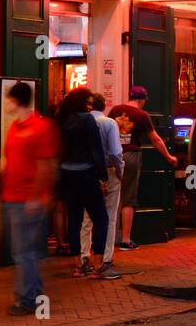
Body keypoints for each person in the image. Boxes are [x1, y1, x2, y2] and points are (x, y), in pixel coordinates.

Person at [0, 81, 58, 316]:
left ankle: (27, 300)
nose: (5, 102)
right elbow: (5, 162)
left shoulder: (39, 128)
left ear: (15, 101)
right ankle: (34, 295)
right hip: (13, 198)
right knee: (24, 251)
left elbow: (46, 166)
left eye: (7, 99)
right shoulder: (15, 128)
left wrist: (36, 199)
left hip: (27, 201)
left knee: (23, 251)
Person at [110, 86, 178, 254]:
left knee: (111, 196)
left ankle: (108, 238)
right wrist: (169, 157)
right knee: (129, 198)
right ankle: (125, 240)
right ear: (141, 100)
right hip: (131, 156)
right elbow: (155, 139)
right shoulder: (142, 115)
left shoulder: (115, 110)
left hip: (113, 155)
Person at [56, 87, 109, 279]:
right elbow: (96, 150)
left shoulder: (62, 120)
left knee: (75, 219)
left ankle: (77, 264)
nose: (89, 107)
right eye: (87, 103)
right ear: (81, 103)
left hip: (67, 174)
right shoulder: (87, 120)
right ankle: (98, 264)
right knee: (100, 217)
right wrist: (103, 176)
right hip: (86, 173)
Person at [79, 93, 123, 274]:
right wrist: (120, 169)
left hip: (86, 172)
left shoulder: (82, 122)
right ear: (104, 106)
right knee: (109, 215)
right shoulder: (109, 123)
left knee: (87, 216)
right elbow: (115, 152)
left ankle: (84, 256)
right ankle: (105, 257)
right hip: (109, 171)